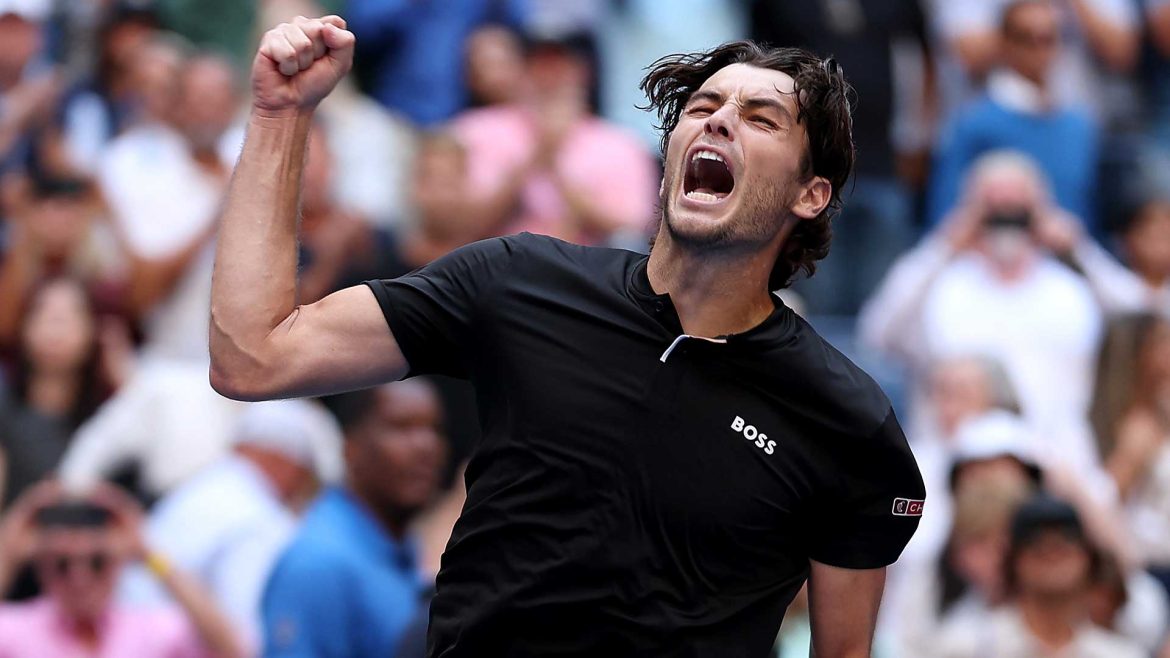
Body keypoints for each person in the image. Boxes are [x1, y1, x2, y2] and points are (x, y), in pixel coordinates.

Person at [212, 16, 925, 657]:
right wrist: (280, 114)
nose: (718, 122)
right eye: (702, 108)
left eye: (761, 118)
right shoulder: (517, 279)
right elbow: (253, 357)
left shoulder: (848, 423)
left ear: (811, 193)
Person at [860, 150, 1103, 480]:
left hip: (1057, 465)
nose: (1005, 217)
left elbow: (1143, 322)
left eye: (1018, 207)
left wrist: (1080, 250)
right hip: (956, 466)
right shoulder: (945, 286)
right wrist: (943, 245)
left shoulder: (1071, 289)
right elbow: (876, 333)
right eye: (993, 207)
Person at [119, 399, 342, 653]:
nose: (305, 488)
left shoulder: (205, 488)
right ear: (284, 459)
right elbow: (247, 643)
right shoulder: (258, 516)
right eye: (306, 473)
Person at [260, 380, 445, 657]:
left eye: (434, 429)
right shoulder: (319, 563)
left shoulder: (399, 540)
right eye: (402, 427)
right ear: (350, 446)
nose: (426, 446)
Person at [451, 31, 659, 246]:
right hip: (494, 267)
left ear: (583, 73)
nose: (549, 77)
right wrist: (537, 153)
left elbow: (634, 231)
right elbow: (457, 225)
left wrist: (558, 172)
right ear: (521, 71)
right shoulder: (475, 131)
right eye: (538, 65)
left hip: (590, 270)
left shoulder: (622, 144)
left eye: (560, 65)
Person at [0, 480, 245, 658]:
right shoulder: (14, 628)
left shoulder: (153, 630)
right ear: (41, 566)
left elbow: (233, 649)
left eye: (97, 562)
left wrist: (148, 553)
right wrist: (8, 553)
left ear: (119, 562)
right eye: (62, 564)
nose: (79, 576)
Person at [927, 0, 1100, 228]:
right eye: (1025, 38)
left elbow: (1087, 215)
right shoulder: (974, 124)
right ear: (1004, 43)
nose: (1039, 51)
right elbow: (945, 218)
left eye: (1048, 39)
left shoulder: (1079, 126)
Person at [936, 494, 1146, 658]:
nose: (1051, 550)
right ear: (1014, 561)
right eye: (1036, 544)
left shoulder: (1120, 654)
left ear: (1087, 559)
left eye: (1065, 542)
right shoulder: (965, 647)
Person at [1089, 313, 1170, 595]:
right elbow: (1105, 498)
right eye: (1161, 341)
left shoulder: (1161, 415)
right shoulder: (1139, 428)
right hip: (1157, 568)